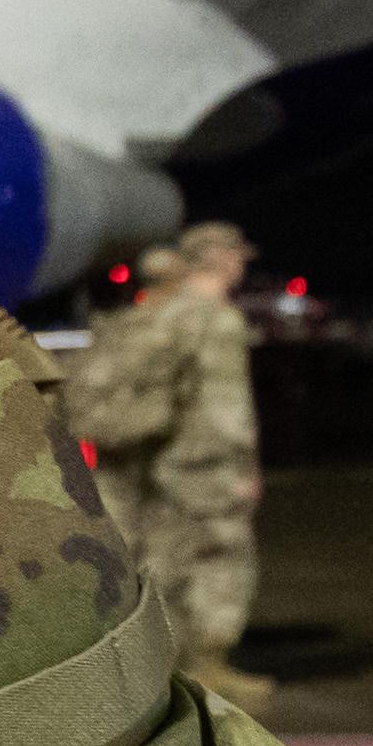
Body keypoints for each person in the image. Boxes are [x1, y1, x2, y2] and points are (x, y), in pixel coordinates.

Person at [70, 220, 272, 704]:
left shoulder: (164, 313)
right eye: (238, 256)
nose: (241, 265)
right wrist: (244, 470)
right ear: (221, 258)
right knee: (218, 561)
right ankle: (207, 669)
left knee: (168, 559)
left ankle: (166, 666)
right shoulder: (215, 319)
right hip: (207, 465)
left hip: (165, 461)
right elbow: (226, 410)